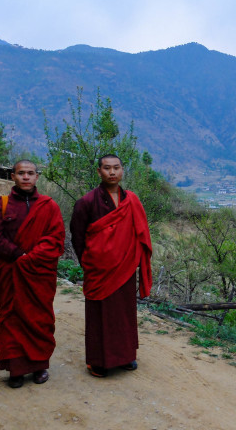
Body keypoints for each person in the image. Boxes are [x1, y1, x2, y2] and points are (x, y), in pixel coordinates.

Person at [70, 154, 152, 378]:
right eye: (107, 168)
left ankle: (125, 356)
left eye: (116, 168)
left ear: (122, 171)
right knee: (100, 315)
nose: (112, 172)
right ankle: (98, 361)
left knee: (124, 313)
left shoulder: (131, 200)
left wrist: (134, 258)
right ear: (99, 172)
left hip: (125, 267)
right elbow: (78, 238)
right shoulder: (86, 202)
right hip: (99, 270)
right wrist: (89, 263)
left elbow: (141, 233)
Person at [0, 160, 65, 388]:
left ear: (37, 177)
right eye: (21, 173)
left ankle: (40, 366)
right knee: (11, 319)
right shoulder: (1, 205)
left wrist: (32, 258)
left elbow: (56, 237)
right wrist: (18, 255)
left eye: (30, 173)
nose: (26, 177)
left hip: (39, 274)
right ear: (13, 177)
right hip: (11, 273)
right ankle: (16, 370)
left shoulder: (49, 206)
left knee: (39, 319)